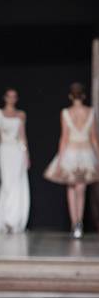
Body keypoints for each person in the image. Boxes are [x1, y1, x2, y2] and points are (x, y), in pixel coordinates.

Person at [43, 82, 99, 238]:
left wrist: (60, 160)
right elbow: (94, 138)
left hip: (70, 153)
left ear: (70, 96)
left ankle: (74, 223)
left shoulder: (66, 112)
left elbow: (64, 138)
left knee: (72, 189)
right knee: (81, 189)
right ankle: (78, 223)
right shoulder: (91, 112)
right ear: (84, 95)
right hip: (86, 152)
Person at [0, 88, 31, 233]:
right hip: (4, 151)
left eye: (14, 96)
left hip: (17, 152)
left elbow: (22, 136)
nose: (11, 99)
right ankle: (5, 219)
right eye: (9, 96)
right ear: (5, 97)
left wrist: (26, 155)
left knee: (16, 183)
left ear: (16, 98)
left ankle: (12, 220)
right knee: (6, 183)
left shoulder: (21, 114)